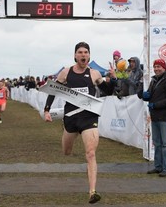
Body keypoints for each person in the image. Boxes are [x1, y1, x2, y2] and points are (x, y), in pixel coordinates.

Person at [43, 42, 116, 204]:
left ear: (89, 56)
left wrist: (113, 79)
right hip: (70, 117)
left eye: (86, 52)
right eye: (80, 52)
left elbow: (108, 91)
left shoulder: (94, 73)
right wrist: (47, 110)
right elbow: (53, 90)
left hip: (89, 117)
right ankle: (67, 136)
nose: (83, 55)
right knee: (66, 151)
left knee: (90, 154)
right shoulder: (66, 72)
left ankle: (92, 192)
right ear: (75, 55)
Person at [138, 58, 166, 177]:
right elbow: (149, 96)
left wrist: (156, 105)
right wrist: (143, 95)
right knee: (157, 143)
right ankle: (158, 166)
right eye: (155, 67)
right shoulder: (154, 81)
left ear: (164, 68)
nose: (156, 69)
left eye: (159, 67)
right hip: (155, 117)